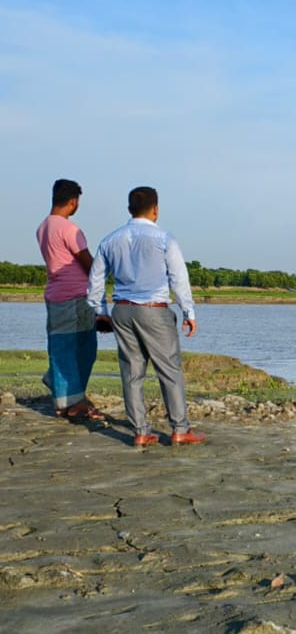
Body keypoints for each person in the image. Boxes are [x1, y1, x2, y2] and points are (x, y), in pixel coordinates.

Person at [86, 186, 205, 447]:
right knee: (169, 369)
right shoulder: (164, 239)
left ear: (130, 209)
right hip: (154, 309)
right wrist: (188, 311)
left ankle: (140, 431)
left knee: (131, 371)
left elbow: (95, 280)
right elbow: (178, 278)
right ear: (156, 209)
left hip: (122, 310)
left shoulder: (110, 240)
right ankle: (180, 428)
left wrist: (100, 312)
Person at [36, 179, 108, 422]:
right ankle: (74, 402)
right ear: (73, 201)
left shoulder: (43, 227)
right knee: (83, 349)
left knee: (61, 345)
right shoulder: (69, 229)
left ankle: (62, 390)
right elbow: (88, 263)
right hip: (76, 295)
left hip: (55, 294)